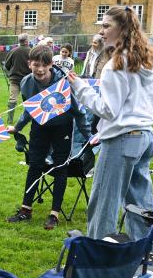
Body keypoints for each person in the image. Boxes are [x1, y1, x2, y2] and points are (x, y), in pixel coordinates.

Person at [68, 6, 153, 249]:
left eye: (106, 26)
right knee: (140, 203)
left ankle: (98, 258)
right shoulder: (148, 62)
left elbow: (108, 110)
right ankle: (151, 256)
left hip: (123, 139)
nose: (101, 32)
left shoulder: (115, 65)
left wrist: (81, 89)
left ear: (122, 29)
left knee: (104, 203)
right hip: (145, 137)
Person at [6, 44, 91, 230]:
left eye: (44, 65)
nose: (40, 69)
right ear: (30, 64)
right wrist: (18, 127)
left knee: (60, 167)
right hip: (39, 127)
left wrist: (88, 136)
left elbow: (78, 112)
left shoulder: (63, 82)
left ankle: (54, 214)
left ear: (51, 64)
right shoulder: (26, 83)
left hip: (62, 128)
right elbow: (30, 110)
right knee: (34, 166)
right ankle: (25, 210)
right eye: (36, 65)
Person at [3, 33, 31, 123]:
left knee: (12, 99)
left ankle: (10, 120)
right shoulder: (32, 51)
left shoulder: (13, 51)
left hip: (14, 79)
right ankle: (28, 118)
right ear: (26, 41)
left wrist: (10, 73)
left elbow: (6, 66)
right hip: (27, 80)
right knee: (28, 99)